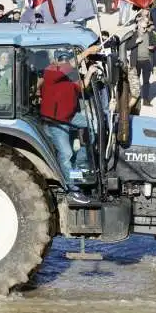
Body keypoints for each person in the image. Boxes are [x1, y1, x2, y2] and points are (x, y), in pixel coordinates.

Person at [40, 46, 100, 205]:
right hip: (55, 120)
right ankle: (72, 189)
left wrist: (89, 73)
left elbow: (81, 88)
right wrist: (86, 53)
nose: (64, 61)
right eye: (62, 59)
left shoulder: (69, 74)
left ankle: (80, 164)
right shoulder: (51, 71)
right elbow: (68, 66)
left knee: (93, 125)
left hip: (70, 116)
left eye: (66, 58)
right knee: (66, 153)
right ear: (56, 60)